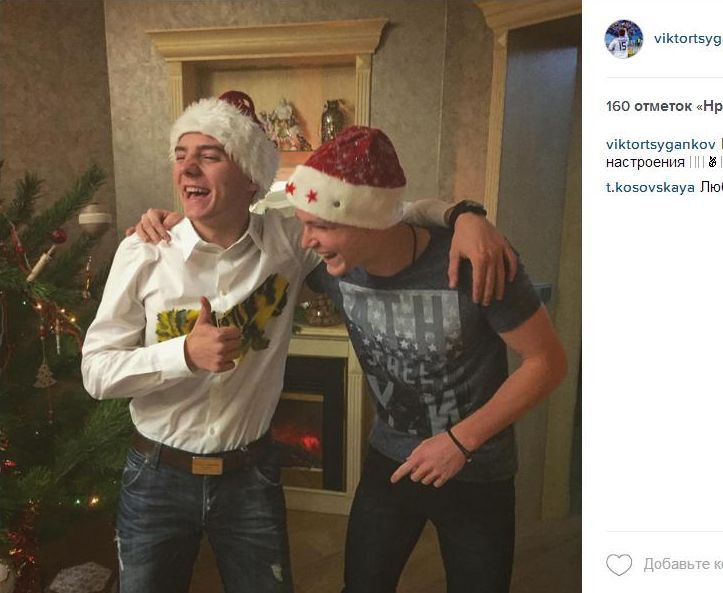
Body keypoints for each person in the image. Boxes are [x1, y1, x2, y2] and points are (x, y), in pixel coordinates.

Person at [81, 91, 514, 593]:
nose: (187, 168)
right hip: (156, 476)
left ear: (251, 177)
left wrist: (464, 215)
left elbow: (385, 213)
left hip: (249, 478)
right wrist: (183, 354)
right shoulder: (143, 250)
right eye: (181, 155)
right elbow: (96, 372)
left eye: (209, 155)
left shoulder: (290, 240)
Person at [284, 126, 567, 593]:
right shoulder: (329, 266)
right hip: (391, 460)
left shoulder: (474, 261)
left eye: (322, 226)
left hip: (477, 467)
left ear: (372, 220)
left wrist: (460, 441)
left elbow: (547, 362)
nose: (306, 240)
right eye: (303, 223)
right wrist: (169, 226)